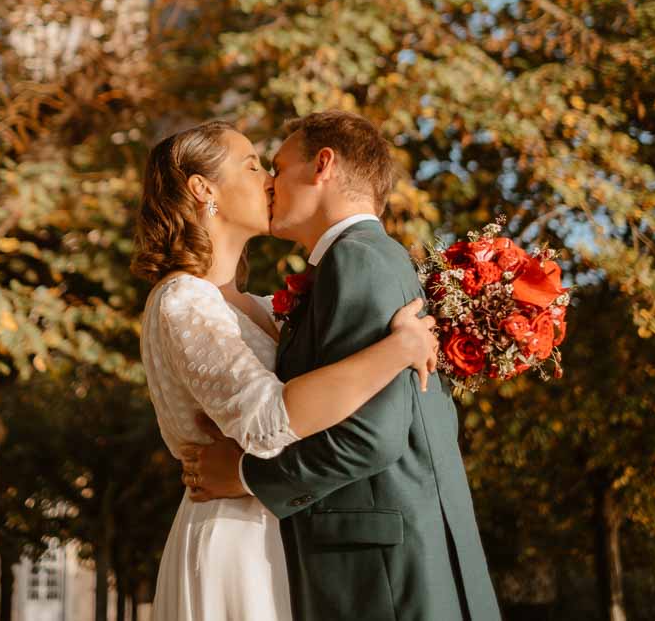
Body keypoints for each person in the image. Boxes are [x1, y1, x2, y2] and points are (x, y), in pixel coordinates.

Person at [182, 110, 501, 621]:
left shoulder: (358, 261)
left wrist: (244, 475)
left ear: (322, 166)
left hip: (383, 574)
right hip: (394, 560)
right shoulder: (363, 260)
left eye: (278, 168)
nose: (269, 185)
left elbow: (370, 436)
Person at [136, 120, 440, 620]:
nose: (270, 180)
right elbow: (265, 424)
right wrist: (399, 348)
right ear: (202, 188)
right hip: (235, 540)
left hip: (286, 524)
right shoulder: (183, 299)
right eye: (253, 166)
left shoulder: (262, 306)